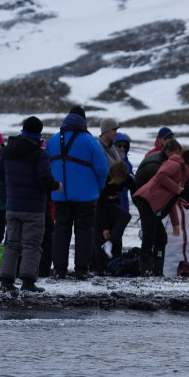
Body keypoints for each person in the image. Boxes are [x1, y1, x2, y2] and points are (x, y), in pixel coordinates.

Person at [45, 106, 109, 280]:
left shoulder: (53, 140)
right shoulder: (90, 142)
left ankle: (59, 269)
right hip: (86, 196)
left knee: (60, 230)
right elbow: (102, 169)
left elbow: (46, 165)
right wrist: (98, 187)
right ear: (83, 121)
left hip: (60, 194)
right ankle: (81, 269)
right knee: (84, 231)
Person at [0, 117, 60, 293]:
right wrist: (57, 186)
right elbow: (46, 180)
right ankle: (27, 281)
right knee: (31, 244)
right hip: (34, 208)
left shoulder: (7, 150)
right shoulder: (40, 154)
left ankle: (6, 281)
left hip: (13, 205)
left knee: (11, 243)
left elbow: (1, 175)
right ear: (38, 133)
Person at [131, 140, 189, 275]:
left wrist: (175, 223)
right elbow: (161, 184)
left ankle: (156, 269)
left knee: (160, 237)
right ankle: (146, 269)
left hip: (149, 202)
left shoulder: (168, 164)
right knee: (150, 236)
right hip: (147, 201)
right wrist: (177, 188)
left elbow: (168, 199)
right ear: (170, 152)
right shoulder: (168, 166)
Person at [94, 161, 134, 274]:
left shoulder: (128, 179)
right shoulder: (105, 181)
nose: (114, 183)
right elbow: (100, 207)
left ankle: (115, 263)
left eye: (116, 181)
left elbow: (135, 193)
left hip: (114, 205)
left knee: (123, 219)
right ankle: (100, 268)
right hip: (100, 208)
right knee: (100, 236)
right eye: (112, 180)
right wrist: (105, 227)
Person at [113, 132, 134, 212]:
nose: (122, 148)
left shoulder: (127, 163)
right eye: (119, 146)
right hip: (114, 199)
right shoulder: (110, 161)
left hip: (124, 198)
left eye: (124, 146)